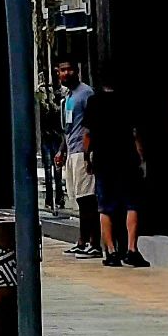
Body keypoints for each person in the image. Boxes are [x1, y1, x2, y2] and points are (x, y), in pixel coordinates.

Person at [85, 74, 148, 267]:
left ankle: (111, 252)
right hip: (126, 158)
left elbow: (87, 134)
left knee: (105, 207)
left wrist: (87, 158)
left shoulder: (94, 102)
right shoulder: (127, 100)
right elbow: (135, 133)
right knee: (132, 204)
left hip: (103, 159)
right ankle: (132, 249)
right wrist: (141, 157)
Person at [55, 60, 100, 258]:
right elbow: (68, 127)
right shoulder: (68, 96)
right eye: (62, 70)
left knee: (87, 198)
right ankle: (82, 241)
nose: (65, 73)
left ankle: (93, 242)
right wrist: (61, 150)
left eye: (69, 69)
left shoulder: (86, 94)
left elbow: (90, 125)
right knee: (79, 198)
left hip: (83, 152)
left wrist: (89, 154)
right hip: (72, 151)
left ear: (77, 70)